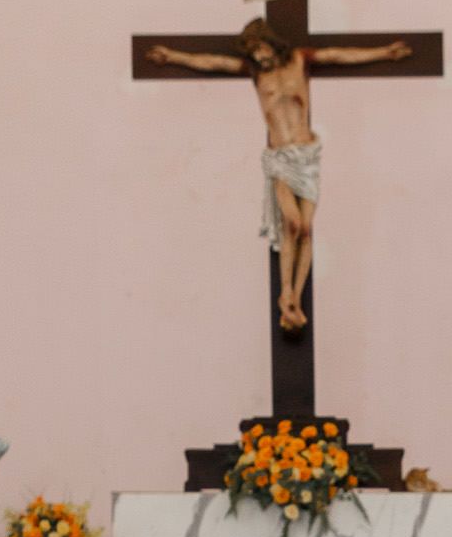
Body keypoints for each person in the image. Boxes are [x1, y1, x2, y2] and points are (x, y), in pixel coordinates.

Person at [146, 19, 412, 329]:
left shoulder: (301, 59)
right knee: (292, 224)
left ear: (270, 43)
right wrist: (174, 57)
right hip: (280, 158)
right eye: (252, 53)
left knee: (308, 229)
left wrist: (384, 53)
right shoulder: (255, 73)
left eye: (259, 49)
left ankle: (295, 297)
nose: (258, 57)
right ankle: (284, 290)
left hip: (308, 154)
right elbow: (212, 63)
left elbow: (339, 55)